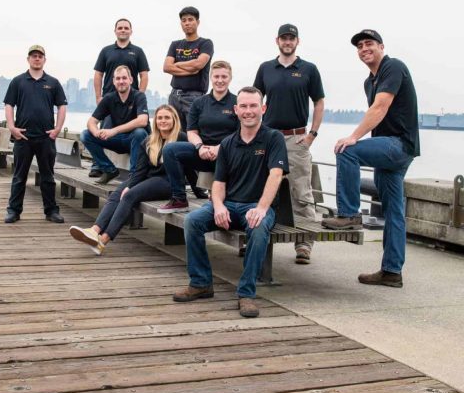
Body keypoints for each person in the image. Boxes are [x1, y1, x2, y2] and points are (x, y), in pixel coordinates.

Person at [173, 87, 288, 318]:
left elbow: (276, 175)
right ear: (236, 110)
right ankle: (201, 283)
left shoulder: (273, 138)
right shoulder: (227, 143)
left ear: (262, 108)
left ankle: (246, 293)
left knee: (257, 229)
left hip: (257, 206)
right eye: (243, 106)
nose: (248, 111)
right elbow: (219, 183)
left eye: (253, 106)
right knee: (192, 221)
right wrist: (218, 206)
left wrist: (262, 208)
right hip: (230, 205)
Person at [323, 30, 419, 288]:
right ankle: (391, 272)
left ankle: (349, 214)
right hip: (389, 150)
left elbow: (380, 108)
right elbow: (377, 116)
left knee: (347, 150)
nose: (364, 48)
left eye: (369, 44)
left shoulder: (393, 67)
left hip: (398, 145)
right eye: (360, 46)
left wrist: (353, 137)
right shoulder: (370, 81)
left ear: (381, 47)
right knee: (394, 213)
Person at [69, 105, 185, 255]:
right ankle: (94, 230)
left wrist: (198, 192)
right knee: (117, 193)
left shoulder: (181, 138)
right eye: (160, 118)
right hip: (149, 179)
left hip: (168, 183)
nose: (163, 121)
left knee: (129, 195)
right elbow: (140, 170)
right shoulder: (149, 141)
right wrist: (129, 185)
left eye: (167, 118)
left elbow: (190, 166)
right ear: (155, 121)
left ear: (174, 120)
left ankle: (102, 241)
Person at [253, 24, 325, 265]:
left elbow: (319, 102)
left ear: (297, 41)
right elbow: (255, 100)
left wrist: (312, 134)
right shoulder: (265, 69)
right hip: (269, 137)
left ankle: (304, 244)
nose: (287, 41)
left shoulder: (309, 70)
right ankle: (253, 238)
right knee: (259, 187)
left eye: (291, 38)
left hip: (297, 138)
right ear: (277, 41)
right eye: (284, 38)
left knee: (301, 191)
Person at [158, 60, 239, 213]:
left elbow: (240, 135)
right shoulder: (199, 103)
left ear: (230, 78)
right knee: (170, 149)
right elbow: (192, 132)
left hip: (228, 154)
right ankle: (179, 199)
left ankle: (221, 197)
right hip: (203, 153)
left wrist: (219, 148)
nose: (220, 80)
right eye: (216, 77)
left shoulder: (237, 102)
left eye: (224, 76)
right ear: (210, 78)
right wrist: (200, 147)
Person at [4, 44, 68, 224]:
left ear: (44, 60)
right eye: (33, 56)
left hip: (46, 138)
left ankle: (51, 211)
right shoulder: (18, 81)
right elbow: (9, 104)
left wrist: (57, 129)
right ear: (28, 59)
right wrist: (12, 127)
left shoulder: (53, 82)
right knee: (19, 176)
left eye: (40, 56)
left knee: (48, 177)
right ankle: (13, 211)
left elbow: (62, 105)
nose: (37, 58)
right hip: (23, 137)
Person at [89, 18, 150, 177]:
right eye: (120, 28)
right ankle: (98, 166)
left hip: (130, 100)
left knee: (136, 132)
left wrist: (140, 94)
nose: (123, 30)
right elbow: (98, 75)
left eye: (126, 28)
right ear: (115, 30)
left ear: (131, 31)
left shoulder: (137, 51)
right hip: (109, 100)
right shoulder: (106, 51)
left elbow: (144, 75)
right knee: (102, 131)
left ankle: (134, 173)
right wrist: (98, 97)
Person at [80, 65, 149, 184]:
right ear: (113, 81)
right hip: (118, 140)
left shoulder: (139, 96)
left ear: (131, 80)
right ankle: (109, 170)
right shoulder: (109, 98)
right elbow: (91, 122)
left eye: (124, 78)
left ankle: (134, 177)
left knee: (139, 132)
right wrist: (97, 132)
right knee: (86, 135)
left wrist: (114, 131)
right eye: (118, 78)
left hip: (137, 141)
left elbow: (142, 121)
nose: (121, 81)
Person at [163, 6, 213, 131]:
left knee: (193, 132)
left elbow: (198, 65)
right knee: (174, 133)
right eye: (184, 20)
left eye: (190, 20)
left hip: (194, 96)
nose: (187, 23)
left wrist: (178, 63)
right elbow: (166, 67)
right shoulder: (175, 44)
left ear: (198, 22)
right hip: (174, 95)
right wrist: (191, 69)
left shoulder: (205, 43)